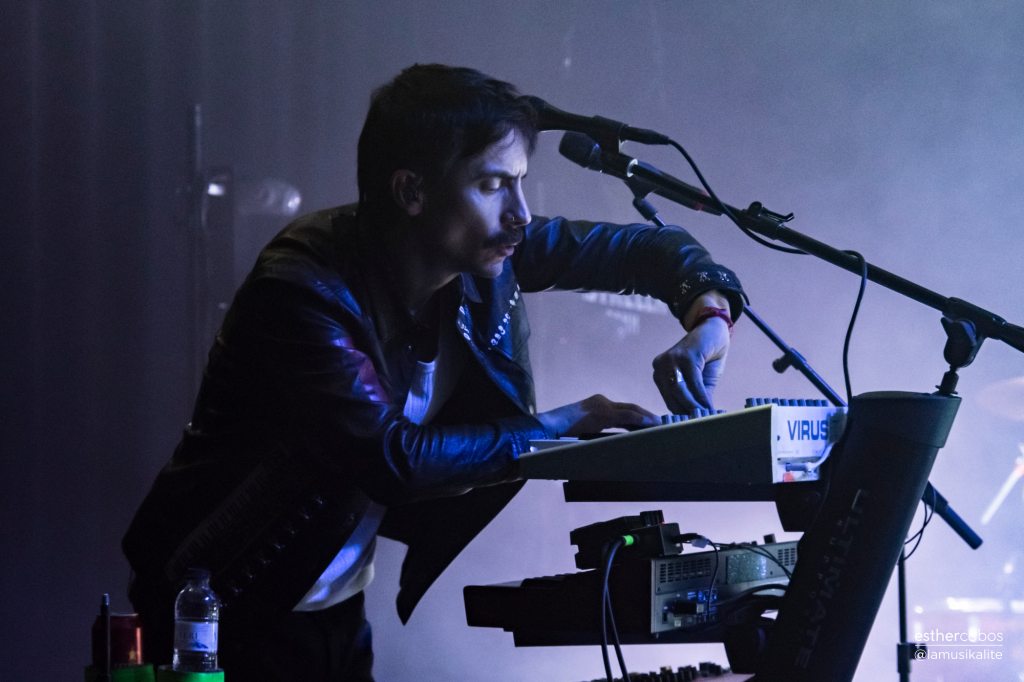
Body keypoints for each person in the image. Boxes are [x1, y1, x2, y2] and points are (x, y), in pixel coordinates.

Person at [122, 63, 744, 680]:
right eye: (493, 185)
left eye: (521, 183)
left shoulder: (486, 255)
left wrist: (710, 316)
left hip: (334, 607)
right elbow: (393, 458)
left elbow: (646, 250)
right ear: (411, 192)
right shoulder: (304, 287)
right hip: (221, 604)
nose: (521, 214)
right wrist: (562, 423)